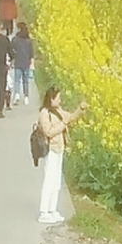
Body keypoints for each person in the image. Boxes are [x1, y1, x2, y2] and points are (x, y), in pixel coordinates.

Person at [35, 89, 85, 224]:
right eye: (58, 98)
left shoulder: (59, 111)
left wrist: (80, 109)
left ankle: (53, 210)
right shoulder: (44, 114)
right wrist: (63, 124)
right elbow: (49, 132)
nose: (60, 100)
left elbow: (70, 117)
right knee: (49, 181)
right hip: (51, 150)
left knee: (57, 181)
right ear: (51, 99)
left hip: (59, 149)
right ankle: (44, 212)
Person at [9, 21, 35, 104]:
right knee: (25, 80)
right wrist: (32, 62)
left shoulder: (15, 40)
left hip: (18, 61)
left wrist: (12, 59)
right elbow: (31, 53)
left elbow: (11, 49)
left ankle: (17, 94)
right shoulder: (28, 41)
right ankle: (26, 96)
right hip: (26, 62)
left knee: (17, 80)